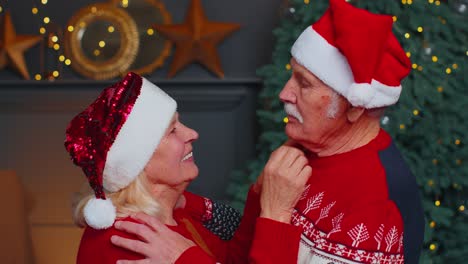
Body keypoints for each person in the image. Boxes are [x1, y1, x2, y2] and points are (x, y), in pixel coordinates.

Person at [110, 0, 425, 263]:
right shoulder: (307, 150)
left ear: (355, 107)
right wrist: (187, 205)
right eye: (292, 76)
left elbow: (272, 228)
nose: (285, 93)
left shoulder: (376, 206)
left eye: (304, 83)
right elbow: (251, 242)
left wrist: (187, 258)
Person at [65, 72, 311, 264]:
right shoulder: (129, 240)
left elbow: (233, 258)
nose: (192, 134)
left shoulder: (176, 216)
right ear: (139, 163)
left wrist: (262, 194)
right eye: (172, 130)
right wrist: (277, 214)